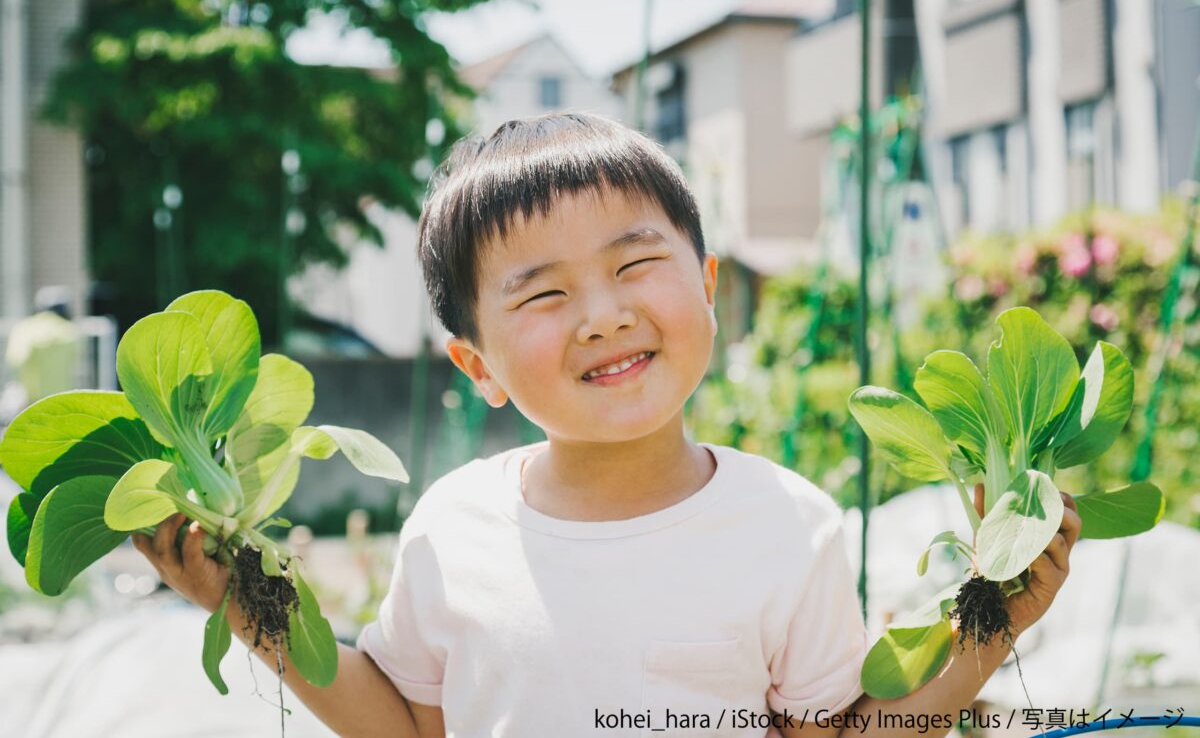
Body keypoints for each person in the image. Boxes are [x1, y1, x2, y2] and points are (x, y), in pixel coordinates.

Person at [135, 113, 1081, 738]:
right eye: (542, 294)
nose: (602, 314)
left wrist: (987, 631)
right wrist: (252, 608)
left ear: (709, 291)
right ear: (478, 366)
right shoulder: (452, 524)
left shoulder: (789, 523)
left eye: (635, 266)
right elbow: (408, 724)